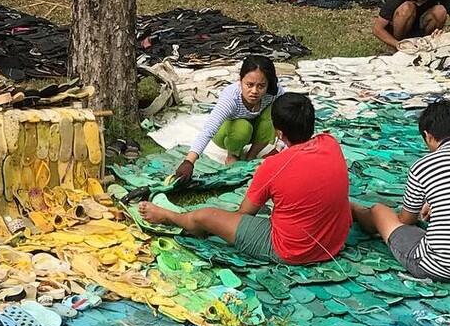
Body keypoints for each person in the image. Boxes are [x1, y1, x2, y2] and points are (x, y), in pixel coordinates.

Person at [140, 92, 351, 265]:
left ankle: (168, 216)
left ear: (278, 133)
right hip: (334, 241)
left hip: (291, 250)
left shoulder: (273, 166)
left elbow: (245, 213)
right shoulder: (329, 143)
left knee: (206, 216)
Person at [351, 100, 450, 281]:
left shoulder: (424, 165)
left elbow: (407, 220)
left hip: (439, 265)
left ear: (428, 136)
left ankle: (355, 211)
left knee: (380, 211)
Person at [173, 55, 284, 182]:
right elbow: (209, 129)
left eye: (261, 86)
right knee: (243, 127)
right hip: (228, 132)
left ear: (268, 84)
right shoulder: (231, 98)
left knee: (276, 112)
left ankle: (251, 156)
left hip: (255, 129)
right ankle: (232, 155)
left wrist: (279, 148)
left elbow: (287, 117)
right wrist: (189, 161)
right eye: (249, 85)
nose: (254, 91)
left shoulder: (274, 93)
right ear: (240, 81)